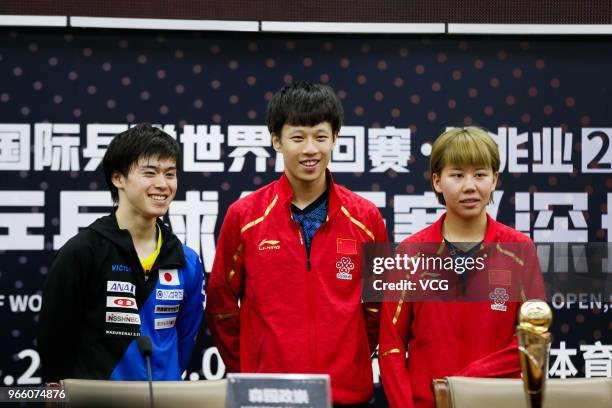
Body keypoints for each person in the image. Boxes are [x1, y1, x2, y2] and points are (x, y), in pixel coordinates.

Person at [207, 81, 388, 406]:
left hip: (346, 394)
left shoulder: (366, 217)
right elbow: (221, 305)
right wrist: (251, 370)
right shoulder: (245, 217)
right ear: (276, 140)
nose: (310, 149)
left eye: (320, 136)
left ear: (335, 138)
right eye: (297, 137)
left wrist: (353, 359)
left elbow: (378, 306)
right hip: (267, 395)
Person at [378, 127, 545, 408]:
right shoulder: (410, 253)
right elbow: (391, 346)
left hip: (498, 403)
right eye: (457, 175)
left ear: (494, 180)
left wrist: (462, 384)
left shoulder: (520, 249)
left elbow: (533, 342)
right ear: (437, 182)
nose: (470, 185)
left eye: (480, 174)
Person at [38, 123, 205, 382]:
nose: (163, 184)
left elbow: (186, 338)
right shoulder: (83, 251)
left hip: (163, 398)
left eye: (170, 174)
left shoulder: (187, 261)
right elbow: (55, 339)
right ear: (118, 178)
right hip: (97, 399)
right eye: (150, 173)